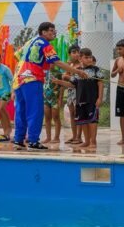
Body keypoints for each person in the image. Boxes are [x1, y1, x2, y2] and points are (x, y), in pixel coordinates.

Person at [11, 22, 84, 150]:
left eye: (54, 30)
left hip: (18, 78)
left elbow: (16, 56)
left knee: (21, 110)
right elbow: (56, 62)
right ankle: (33, 141)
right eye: (51, 30)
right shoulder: (45, 44)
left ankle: (18, 139)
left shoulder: (29, 41)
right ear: (43, 32)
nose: (54, 32)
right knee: (35, 110)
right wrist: (77, 71)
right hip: (32, 78)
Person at [71, 49, 105, 151]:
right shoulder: (77, 71)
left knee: (92, 121)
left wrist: (100, 98)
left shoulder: (96, 70)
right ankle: (86, 141)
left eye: (90, 57)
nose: (89, 59)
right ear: (80, 58)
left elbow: (100, 83)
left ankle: (93, 141)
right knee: (83, 121)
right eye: (86, 57)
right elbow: (72, 85)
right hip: (80, 100)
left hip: (92, 100)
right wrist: (59, 81)